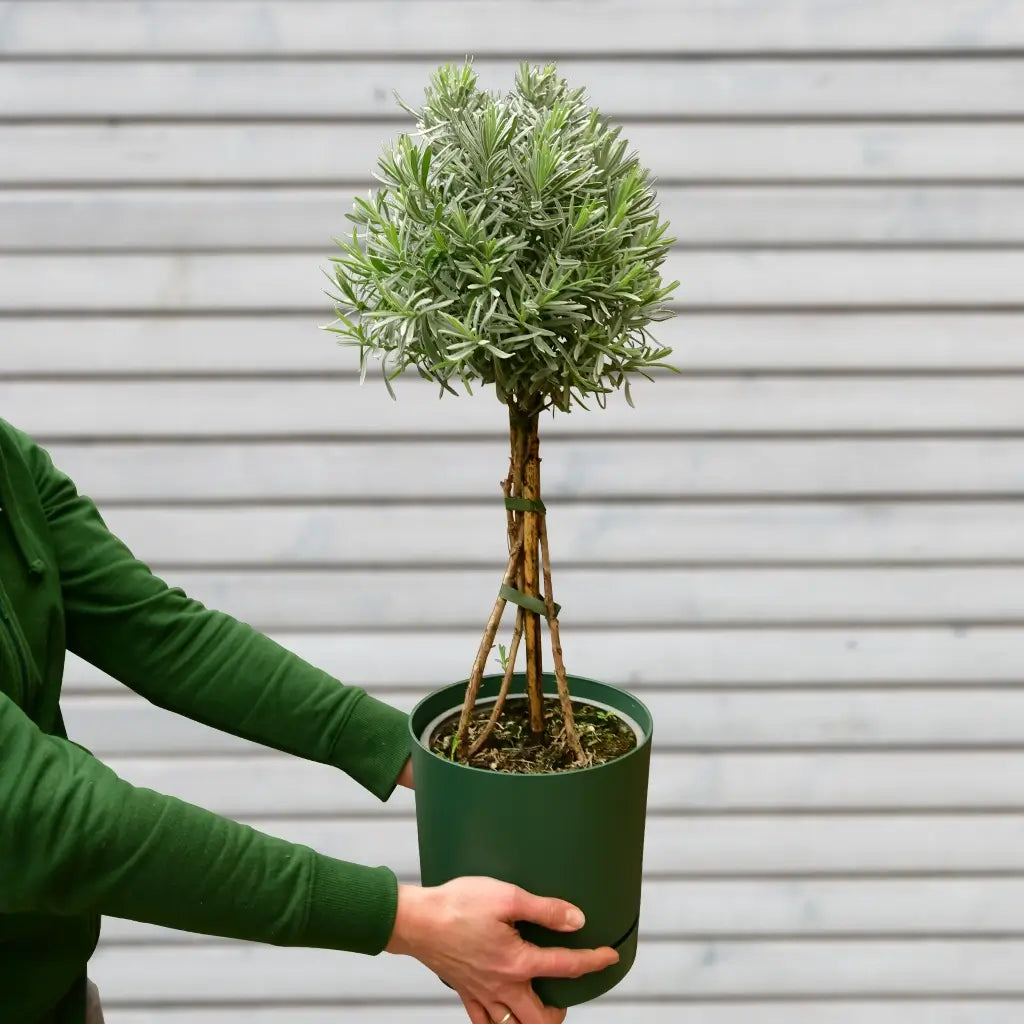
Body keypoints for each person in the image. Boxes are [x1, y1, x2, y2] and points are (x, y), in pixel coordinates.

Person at [0, 418, 618, 1024]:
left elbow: (162, 636)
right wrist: (404, 919)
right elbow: (57, 817)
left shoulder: (9, 464)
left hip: (54, 990)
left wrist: (419, 756)